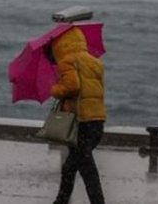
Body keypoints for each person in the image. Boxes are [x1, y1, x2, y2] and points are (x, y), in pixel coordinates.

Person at [47, 26, 106, 204]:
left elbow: (72, 86)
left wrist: (55, 89)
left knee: (80, 167)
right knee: (76, 165)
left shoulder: (67, 61)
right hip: (97, 119)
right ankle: (62, 201)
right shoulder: (94, 62)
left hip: (80, 121)